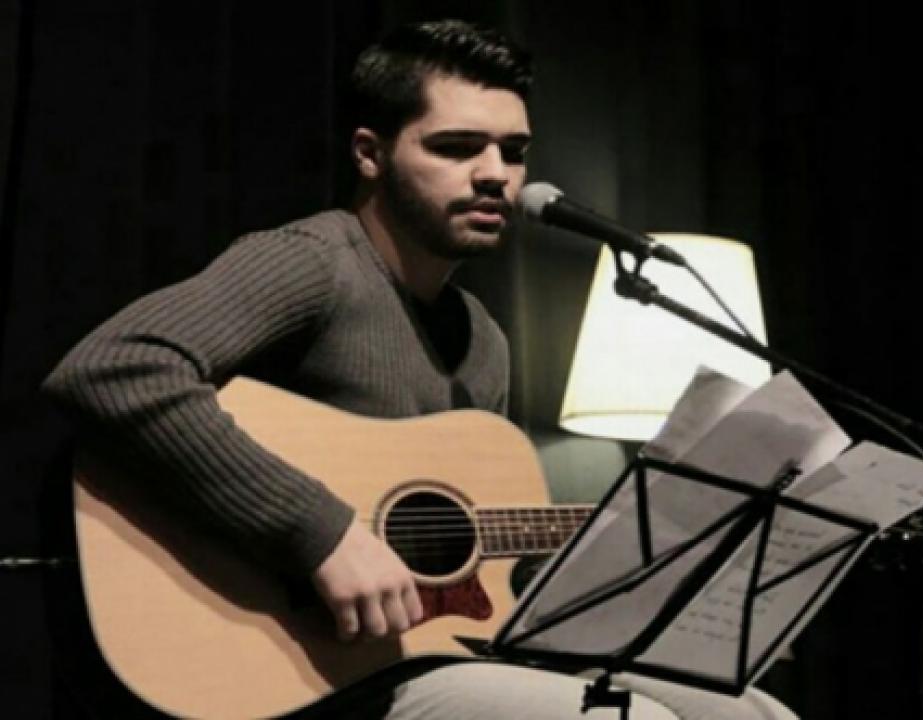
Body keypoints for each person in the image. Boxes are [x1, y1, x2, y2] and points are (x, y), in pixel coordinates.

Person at [42, 19, 797, 720]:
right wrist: (321, 532)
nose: (496, 174)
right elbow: (113, 368)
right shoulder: (314, 265)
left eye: (513, 151)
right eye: (457, 147)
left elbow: (483, 580)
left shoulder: (483, 341)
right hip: (293, 667)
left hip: (413, 654)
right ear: (370, 154)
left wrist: (677, 579)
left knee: (755, 713)